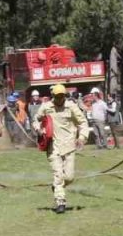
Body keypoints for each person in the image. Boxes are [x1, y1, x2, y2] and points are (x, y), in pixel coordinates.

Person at [31, 84, 89, 214]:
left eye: (62, 96)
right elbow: (36, 119)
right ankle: (60, 201)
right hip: (52, 146)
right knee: (58, 174)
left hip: (69, 146)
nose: (60, 98)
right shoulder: (46, 107)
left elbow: (83, 122)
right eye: (57, 96)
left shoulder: (71, 107)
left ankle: (57, 186)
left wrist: (82, 137)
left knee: (69, 177)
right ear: (53, 96)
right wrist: (38, 129)